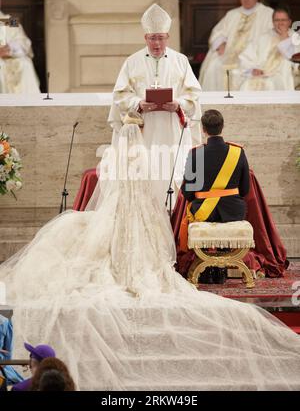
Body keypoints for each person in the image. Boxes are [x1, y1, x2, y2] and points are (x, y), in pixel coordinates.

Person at [0, 121, 300, 390]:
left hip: (120, 208)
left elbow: (114, 183)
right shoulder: (165, 155)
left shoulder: (114, 157)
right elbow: (229, 187)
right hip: (193, 208)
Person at [108, 3, 202, 205]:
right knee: (147, 174)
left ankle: (174, 211)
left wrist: (178, 104)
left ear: (167, 37)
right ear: (145, 38)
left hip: (172, 128)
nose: (156, 43)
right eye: (152, 38)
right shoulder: (132, 62)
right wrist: (138, 104)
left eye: (160, 38)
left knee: (170, 170)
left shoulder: (181, 61)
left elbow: (193, 93)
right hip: (144, 130)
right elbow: (120, 94)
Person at [180, 109, 250, 283]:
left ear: (203, 129)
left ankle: (207, 269)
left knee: (198, 213)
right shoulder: (237, 152)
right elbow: (245, 189)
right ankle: (222, 269)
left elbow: (188, 192)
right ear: (222, 126)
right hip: (234, 212)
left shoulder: (196, 154)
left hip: (205, 212)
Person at [199, 0, 273, 91]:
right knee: (213, 66)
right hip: (229, 54)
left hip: (252, 57)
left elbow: (271, 37)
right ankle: (216, 107)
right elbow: (218, 32)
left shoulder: (267, 14)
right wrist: (220, 43)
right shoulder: (232, 14)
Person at [239, 6, 300, 90]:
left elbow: (295, 63)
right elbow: (246, 57)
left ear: (289, 22)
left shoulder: (296, 38)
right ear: (272, 22)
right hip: (261, 73)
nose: (280, 23)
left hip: (283, 76)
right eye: (277, 20)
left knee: (269, 84)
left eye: (283, 20)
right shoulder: (262, 38)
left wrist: (285, 38)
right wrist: (253, 69)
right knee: (247, 84)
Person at [0, 0, 40, 94]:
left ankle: (25, 110)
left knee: (24, 64)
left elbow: (24, 43)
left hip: (6, 58)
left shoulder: (9, 21)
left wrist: (8, 49)